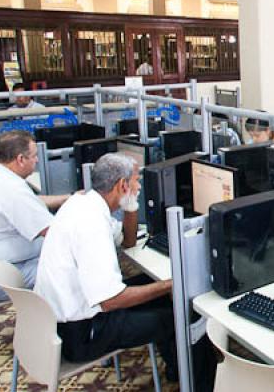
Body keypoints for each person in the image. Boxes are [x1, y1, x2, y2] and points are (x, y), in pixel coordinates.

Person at [34, 153, 179, 380]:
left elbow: (128, 241)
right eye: (136, 180)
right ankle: (198, 382)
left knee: (155, 287)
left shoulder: (85, 203)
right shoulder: (90, 224)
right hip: (81, 334)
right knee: (177, 316)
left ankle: (177, 371)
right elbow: (111, 300)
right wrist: (172, 284)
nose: (139, 185)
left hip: (64, 319)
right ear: (122, 185)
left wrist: (131, 206)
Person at [0, 130, 69, 301]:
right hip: (2, 279)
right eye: (34, 156)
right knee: (74, 266)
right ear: (20, 159)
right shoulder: (10, 188)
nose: (37, 160)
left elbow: (31, 202)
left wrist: (66, 199)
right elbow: (55, 232)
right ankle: (74, 323)